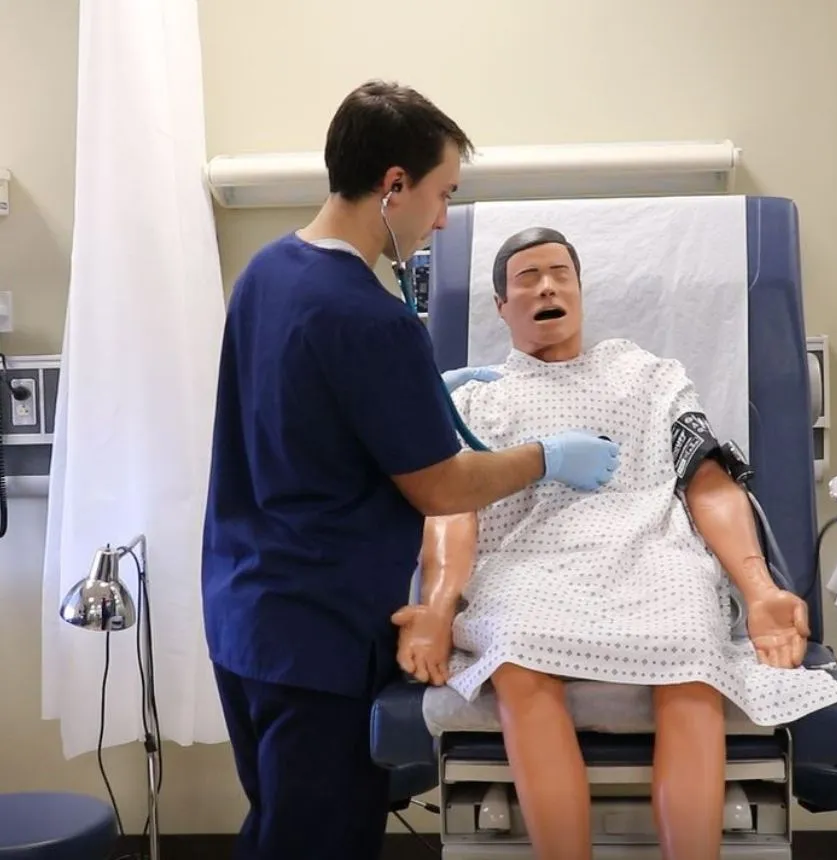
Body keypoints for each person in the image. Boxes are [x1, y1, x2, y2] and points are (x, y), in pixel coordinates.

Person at [200, 84, 621, 860]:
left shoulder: (267, 273)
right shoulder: (371, 316)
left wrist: (423, 396)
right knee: (316, 841)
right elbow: (442, 487)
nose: (442, 219)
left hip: (243, 610)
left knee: (274, 824)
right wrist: (548, 457)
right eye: (441, 194)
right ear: (394, 185)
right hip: (317, 634)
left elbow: (304, 412)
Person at [391, 227, 837, 860]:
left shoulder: (650, 377)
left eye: (560, 274)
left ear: (579, 291)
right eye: (526, 278)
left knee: (691, 646)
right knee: (519, 651)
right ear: (501, 307)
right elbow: (453, 508)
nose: (547, 285)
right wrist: (438, 606)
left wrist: (761, 588)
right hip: (529, 560)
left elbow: (709, 485)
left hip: (650, 550)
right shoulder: (477, 400)